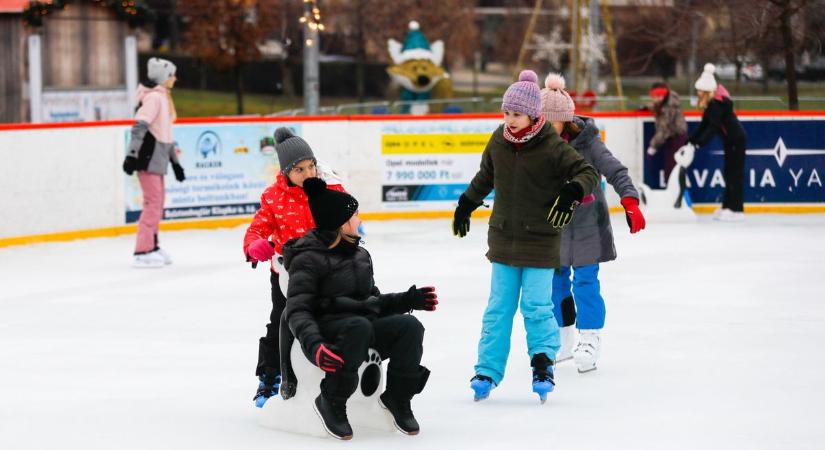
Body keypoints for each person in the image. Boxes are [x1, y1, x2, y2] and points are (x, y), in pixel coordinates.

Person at [452, 70, 599, 403]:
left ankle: (543, 363)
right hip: (503, 239)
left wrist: (572, 192)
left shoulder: (550, 144)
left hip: (540, 241)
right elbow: (485, 177)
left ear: (533, 114)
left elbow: (587, 172)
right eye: (506, 112)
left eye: (516, 114)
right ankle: (487, 370)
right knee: (498, 309)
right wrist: (466, 203)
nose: (509, 119)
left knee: (536, 307)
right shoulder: (499, 140)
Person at [283, 178, 436, 439]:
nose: (360, 219)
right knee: (359, 326)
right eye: (355, 215)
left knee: (409, 327)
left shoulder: (360, 255)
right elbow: (297, 310)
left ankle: (398, 397)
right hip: (329, 334)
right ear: (341, 223)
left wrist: (407, 300)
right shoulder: (307, 259)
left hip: (361, 328)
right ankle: (331, 399)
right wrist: (315, 345)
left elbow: (373, 303)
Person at [541, 73, 646, 374]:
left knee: (586, 283)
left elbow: (616, 171)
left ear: (564, 120)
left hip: (588, 227)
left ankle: (589, 339)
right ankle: (562, 339)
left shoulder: (589, 143)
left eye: (550, 122)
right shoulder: (538, 145)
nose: (544, 127)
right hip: (555, 227)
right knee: (555, 284)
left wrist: (630, 201)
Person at [243, 127, 347, 407]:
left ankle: (341, 373)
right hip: (288, 275)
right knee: (281, 321)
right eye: (299, 170)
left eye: (311, 166)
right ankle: (270, 376)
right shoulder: (273, 197)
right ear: (286, 172)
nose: (308, 173)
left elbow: (349, 217)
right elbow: (257, 229)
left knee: (336, 317)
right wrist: (254, 246)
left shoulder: (330, 188)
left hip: (328, 270)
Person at [122, 58, 185, 268]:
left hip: (157, 161)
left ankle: (153, 246)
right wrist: (131, 155)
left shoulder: (163, 98)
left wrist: (175, 164)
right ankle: (142, 251)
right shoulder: (154, 98)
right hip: (147, 159)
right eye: (172, 75)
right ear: (163, 77)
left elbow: (166, 136)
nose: (175, 78)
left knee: (157, 204)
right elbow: (139, 127)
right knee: (152, 204)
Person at [689, 63, 748, 221]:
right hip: (730, 142)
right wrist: (691, 141)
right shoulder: (711, 105)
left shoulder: (717, 105)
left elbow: (713, 127)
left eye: (700, 90)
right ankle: (727, 207)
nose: (698, 93)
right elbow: (703, 125)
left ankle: (737, 210)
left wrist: (699, 143)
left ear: (707, 91)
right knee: (729, 174)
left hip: (736, 140)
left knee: (734, 175)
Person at [646, 82, 688, 180]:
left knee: (673, 172)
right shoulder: (665, 102)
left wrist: (652, 147)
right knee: (671, 172)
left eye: (656, 96)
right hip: (672, 139)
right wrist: (646, 107)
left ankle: (677, 190)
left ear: (662, 95)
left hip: (677, 139)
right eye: (653, 97)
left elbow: (663, 129)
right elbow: (657, 107)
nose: (654, 99)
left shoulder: (669, 106)